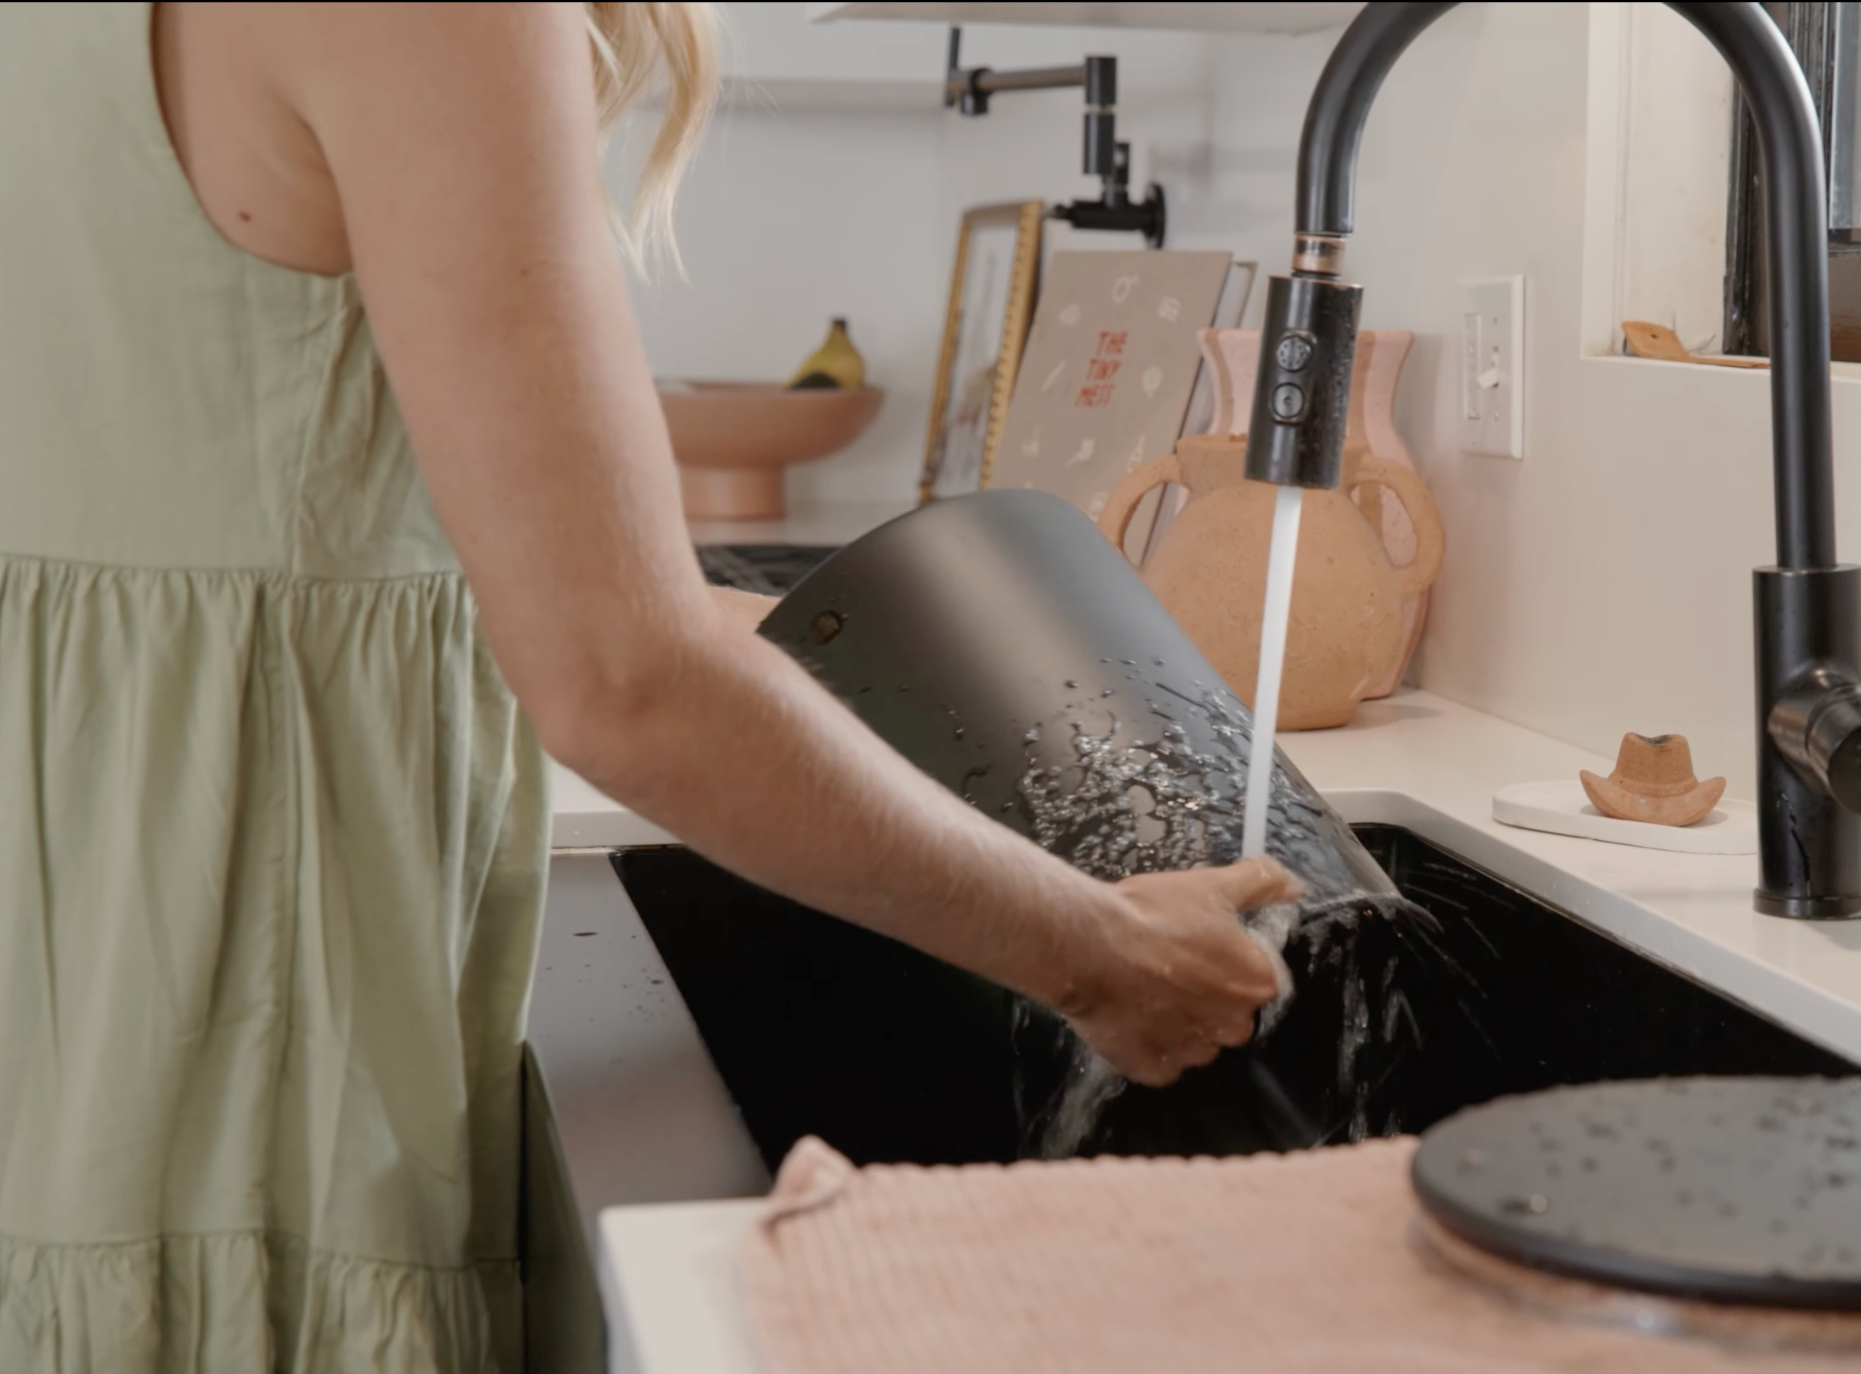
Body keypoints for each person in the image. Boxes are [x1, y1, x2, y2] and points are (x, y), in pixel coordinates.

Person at [0, 4, 1295, 1369]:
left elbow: (307, 556)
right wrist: (1100, 957)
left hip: (72, 961)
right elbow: (623, 677)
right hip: (249, 1000)